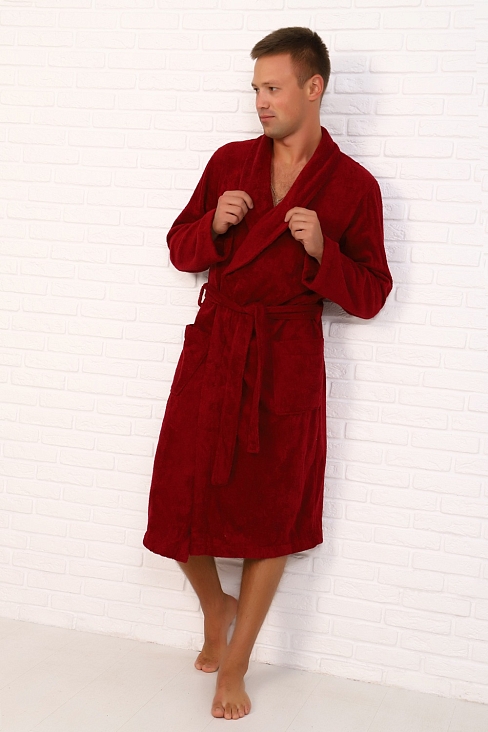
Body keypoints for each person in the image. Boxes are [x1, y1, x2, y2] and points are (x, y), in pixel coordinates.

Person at [143, 27, 393, 720]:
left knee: (272, 516)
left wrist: (324, 254)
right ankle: (215, 607)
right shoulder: (229, 162)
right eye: (256, 87)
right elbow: (179, 249)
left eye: (274, 87)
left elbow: (372, 293)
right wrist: (212, 228)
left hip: (286, 359)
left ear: (314, 88)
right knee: (175, 502)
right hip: (217, 348)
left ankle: (237, 663)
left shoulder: (354, 187)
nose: (261, 100)